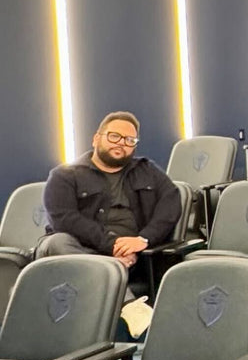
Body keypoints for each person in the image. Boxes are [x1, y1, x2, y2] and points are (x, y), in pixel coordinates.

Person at [39, 111, 182, 271]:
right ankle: (119, 288)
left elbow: (171, 202)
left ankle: (111, 276)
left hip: (130, 254)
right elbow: (64, 220)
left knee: (116, 265)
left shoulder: (147, 170)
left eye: (130, 140)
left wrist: (143, 239)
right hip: (79, 248)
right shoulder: (64, 176)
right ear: (96, 139)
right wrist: (112, 246)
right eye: (114, 136)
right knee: (57, 242)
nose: (121, 143)